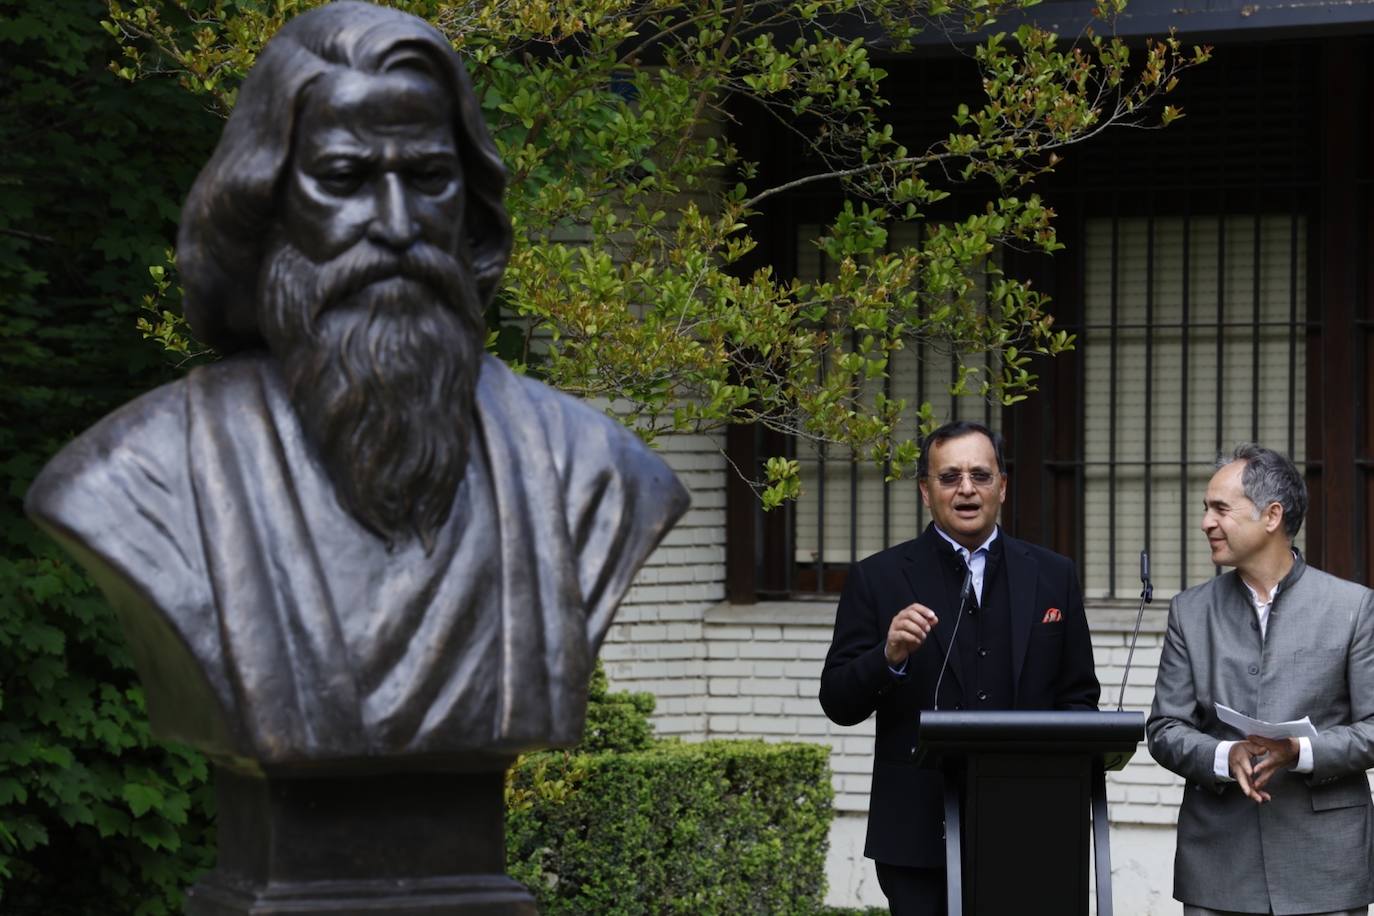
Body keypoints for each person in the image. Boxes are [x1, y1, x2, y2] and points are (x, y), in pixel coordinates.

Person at [24, 1, 688, 770]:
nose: (398, 224)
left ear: (468, 203)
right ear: (264, 201)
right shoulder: (132, 481)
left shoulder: (594, 472)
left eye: (432, 178)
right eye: (344, 178)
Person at [819, 420, 1100, 916]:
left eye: (980, 475)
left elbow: (1079, 698)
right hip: (917, 834)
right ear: (926, 493)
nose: (966, 489)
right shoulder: (879, 577)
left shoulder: (1054, 575)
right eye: (949, 478)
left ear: (1003, 486)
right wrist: (888, 657)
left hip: (1030, 831)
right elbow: (838, 702)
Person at [1147, 444, 1374, 916]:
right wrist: (1223, 753)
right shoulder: (1189, 612)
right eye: (1205, 509)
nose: (1206, 522)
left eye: (1220, 509)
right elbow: (1165, 730)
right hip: (1218, 864)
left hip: (1326, 865)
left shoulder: (1352, 608)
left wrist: (1299, 752)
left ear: (1272, 516)